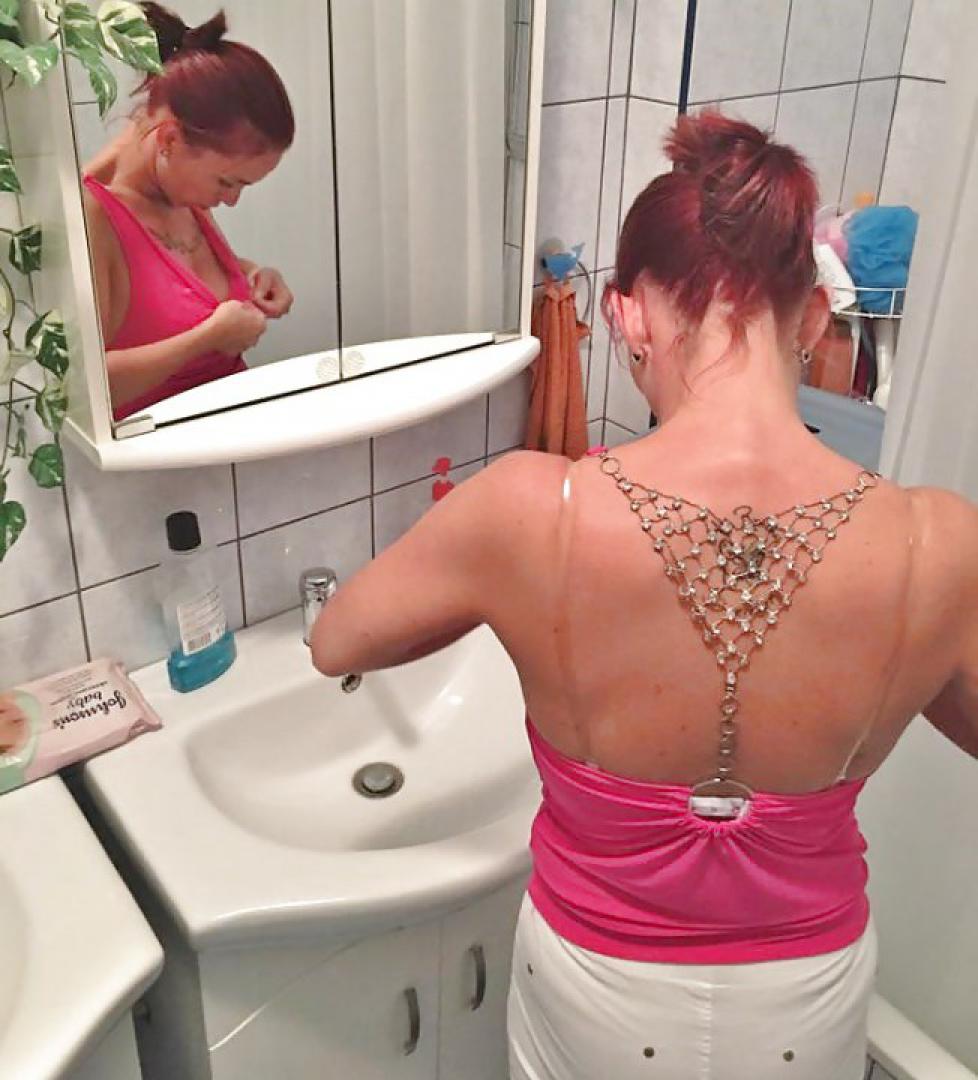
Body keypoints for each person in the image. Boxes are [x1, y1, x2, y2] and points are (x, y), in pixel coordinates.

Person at [309, 113, 978, 1079]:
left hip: (596, 992)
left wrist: (495, 599)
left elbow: (337, 644)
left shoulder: (529, 510)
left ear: (625, 317)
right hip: (809, 999)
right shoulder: (937, 541)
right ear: (814, 320)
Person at [83, 2, 295, 421]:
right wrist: (207, 338)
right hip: (161, 455)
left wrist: (252, 274)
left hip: (236, 439)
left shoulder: (181, 193)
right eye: (227, 182)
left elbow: (172, 281)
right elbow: (86, 389)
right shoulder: (96, 217)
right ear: (169, 142)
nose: (231, 200)